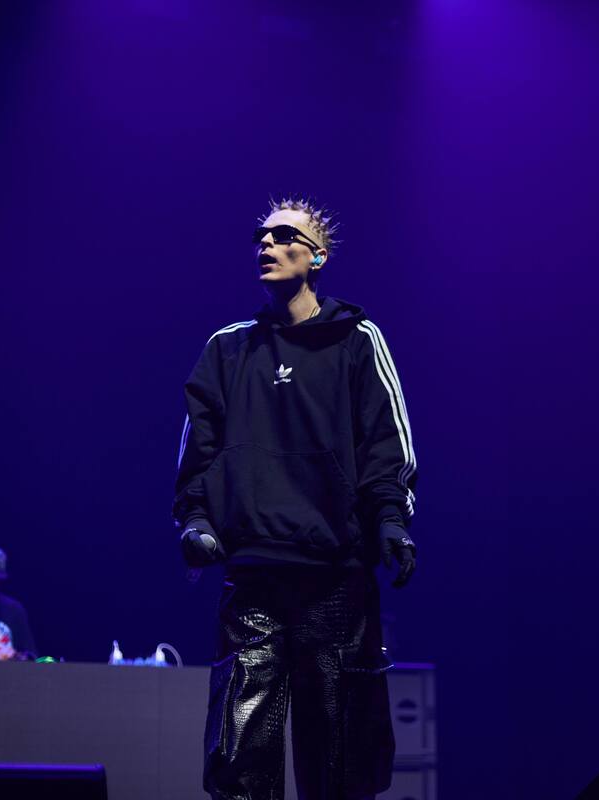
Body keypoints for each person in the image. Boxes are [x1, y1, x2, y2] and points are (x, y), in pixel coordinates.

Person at [174, 197, 419, 800]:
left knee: (338, 759)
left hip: (335, 577)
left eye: (284, 235)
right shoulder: (228, 348)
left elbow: (385, 442)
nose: (267, 244)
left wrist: (391, 520)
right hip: (254, 576)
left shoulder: (357, 340)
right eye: (260, 236)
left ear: (317, 257)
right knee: (239, 758)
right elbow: (198, 450)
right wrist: (197, 519)